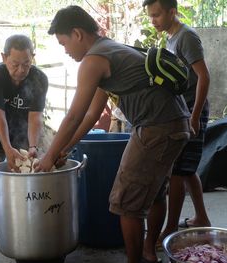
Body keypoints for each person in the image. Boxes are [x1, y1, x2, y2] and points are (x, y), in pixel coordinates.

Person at [34, 5, 191, 263]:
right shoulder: (110, 49)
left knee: (125, 203)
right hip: (174, 124)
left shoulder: (93, 60)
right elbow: (90, 115)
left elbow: (73, 116)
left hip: (156, 127)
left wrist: (48, 157)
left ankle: (137, 259)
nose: (65, 50)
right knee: (152, 194)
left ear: (77, 33)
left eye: (64, 43)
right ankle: (149, 253)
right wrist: (64, 150)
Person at [142, 0, 211, 259]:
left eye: (157, 14)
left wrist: (194, 117)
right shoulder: (171, 38)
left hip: (193, 111)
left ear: (172, 12)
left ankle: (170, 229)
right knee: (188, 168)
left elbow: (204, 76)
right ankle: (201, 217)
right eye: (150, 16)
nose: (153, 20)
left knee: (178, 172)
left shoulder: (186, 37)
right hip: (185, 110)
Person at [0, 34, 48, 248]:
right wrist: (8, 149)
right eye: (15, 64)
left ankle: (22, 221)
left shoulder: (39, 78)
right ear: (4, 57)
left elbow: (35, 117)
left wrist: (32, 146)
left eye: (26, 64)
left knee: (29, 171)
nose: (21, 70)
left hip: (22, 127)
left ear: (33, 57)